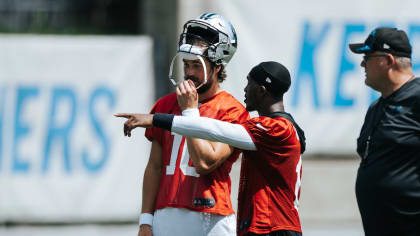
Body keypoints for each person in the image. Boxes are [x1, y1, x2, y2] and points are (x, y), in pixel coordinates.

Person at [116, 61, 306, 236]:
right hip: (268, 226)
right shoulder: (280, 126)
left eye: (250, 84)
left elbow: (215, 130)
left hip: (272, 228)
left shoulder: (275, 129)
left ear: (262, 90)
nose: (245, 89)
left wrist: (155, 119)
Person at [130, 13, 249, 236]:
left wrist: (190, 112)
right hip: (165, 215)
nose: (189, 73)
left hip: (210, 217)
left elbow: (205, 163)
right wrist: (145, 219)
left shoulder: (232, 110)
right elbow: (155, 166)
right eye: (186, 64)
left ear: (217, 67)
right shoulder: (165, 104)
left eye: (197, 65)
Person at [349, 27, 420, 235]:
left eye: (367, 57)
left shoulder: (417, 99)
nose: (362, 64)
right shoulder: (376, 107)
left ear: (388, 60)